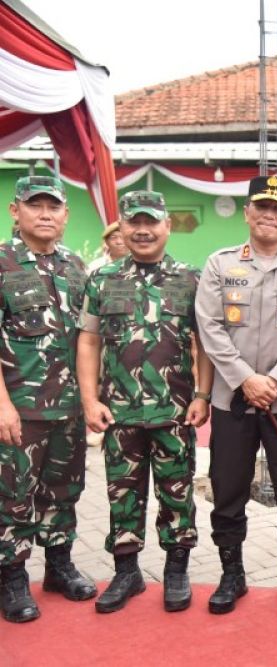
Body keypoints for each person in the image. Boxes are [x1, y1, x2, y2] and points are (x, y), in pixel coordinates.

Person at [195, 175, 277, 615]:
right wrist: (244, 380)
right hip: (232, 400)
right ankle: (231, 573)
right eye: (262, 207)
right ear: (248, 212)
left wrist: (276, 379)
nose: (270, 215)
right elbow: (209, 327)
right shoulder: (220, 264)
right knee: (227, 486)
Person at [77, 190, 212, 613]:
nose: (142, 230)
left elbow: (205, 343)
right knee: (122, 494)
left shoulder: (190, 278)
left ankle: (176, 570)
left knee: (177, 493)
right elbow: (89, 340)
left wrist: (203, 394)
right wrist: (88, 399)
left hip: (174, 412)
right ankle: (127, 572)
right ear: (122, 229)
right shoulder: (102, 280)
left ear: (166, 226)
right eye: (134, 222)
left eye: (151, 222)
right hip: (119, 414)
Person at [0, 176, 96, 623]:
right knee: (13, 496)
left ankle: (58, 566)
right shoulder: (2, 264)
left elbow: (87, 341)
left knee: (63, 491)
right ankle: (13, 577)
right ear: (15, 211)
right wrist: (1, 405)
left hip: (69, 409)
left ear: (65, 215)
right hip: (21, 409)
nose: (44, 213)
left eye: (53, 206)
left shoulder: (75, 267)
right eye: (34, 205)